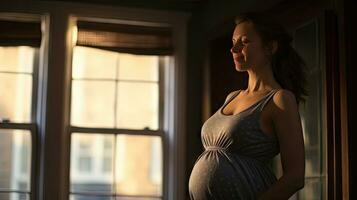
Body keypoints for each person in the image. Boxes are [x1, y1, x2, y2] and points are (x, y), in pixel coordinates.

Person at [188, 12, 307, 200]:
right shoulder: (232, 97)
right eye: (233, 41)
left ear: (270, 47)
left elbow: (295, 177)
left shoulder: (280, 100)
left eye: (244, 42)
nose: (234, 49)